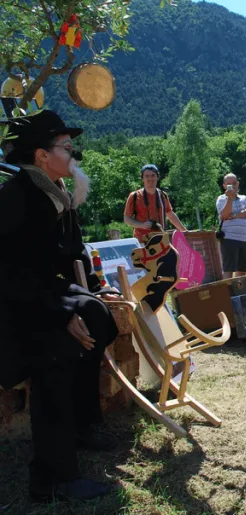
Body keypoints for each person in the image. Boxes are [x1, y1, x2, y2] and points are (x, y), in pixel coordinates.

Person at [0, 110, 119, 501]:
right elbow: (15, 274)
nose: (75, 155)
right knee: (55, 352)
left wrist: (97, 289)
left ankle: (83, 424)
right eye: (67, 148)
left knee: (98, 318)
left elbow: (73, 257)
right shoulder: (17, 198)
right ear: (41, 156)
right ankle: (52, 477)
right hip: (17, 308)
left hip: (44, 293)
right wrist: (62, 313)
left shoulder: (55, 195)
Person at [123, 164, 186, 243]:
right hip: (142, 242)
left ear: (157, 177)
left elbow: (170, 215)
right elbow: (126, 219)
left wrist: (184, 231)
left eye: (153, 175)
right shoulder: (135, 196)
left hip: (161, 241)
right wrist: (142, 225)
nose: (150, 178)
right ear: (142, 178)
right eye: (147, 176)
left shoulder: (162, 195)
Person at [216, 173, 246, 279]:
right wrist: (230, 199)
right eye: (229, 184)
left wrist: (235, 216)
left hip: (243, 238)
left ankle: (238, 293)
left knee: (241, 271)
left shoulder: (244, 198)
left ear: (238, 184)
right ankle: (227, 294)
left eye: (234, 183)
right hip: (229, 238)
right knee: (228, 269)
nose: (232, 186)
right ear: (224, 186)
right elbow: (225, 214)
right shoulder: (221, 199)